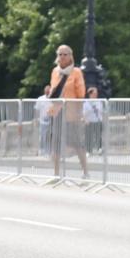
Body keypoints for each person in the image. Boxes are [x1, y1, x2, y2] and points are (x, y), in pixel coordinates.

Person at [47, 45, 89, 179]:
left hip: (72, 112)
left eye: (65, 54)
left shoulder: (76, 72)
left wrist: (79, 112)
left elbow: (81, 93)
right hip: (57, 111)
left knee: (77, 143)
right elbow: (53, 89)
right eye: (60, 54)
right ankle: (56, 173)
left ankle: (85, 172)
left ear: (71, 56)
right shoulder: (55, 71)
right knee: (56, 144)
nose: (62, 57)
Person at [82, 87, 105, 154]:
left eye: (96, 93)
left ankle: (99, 149)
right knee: (89, 136)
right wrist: (85, 120)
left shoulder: (99, 102)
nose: (96, 95)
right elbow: (83, 113)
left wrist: (102, 119)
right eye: (94, 93)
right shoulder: (86, 103)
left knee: (98, 136)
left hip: (97, 121)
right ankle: (88, 150)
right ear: (90, 94)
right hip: (89, 122)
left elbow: (101, 111)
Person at [35, 85, 52, 155]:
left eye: (49, 91)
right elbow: (37, 109)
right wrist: (36, 119)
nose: (47, 92)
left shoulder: (53, 99)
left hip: (51, 120)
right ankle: (41, 150)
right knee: (42, 136)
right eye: (46, 91)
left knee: (49, 136)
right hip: (42, 120)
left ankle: (48, 150)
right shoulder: (40, 99)